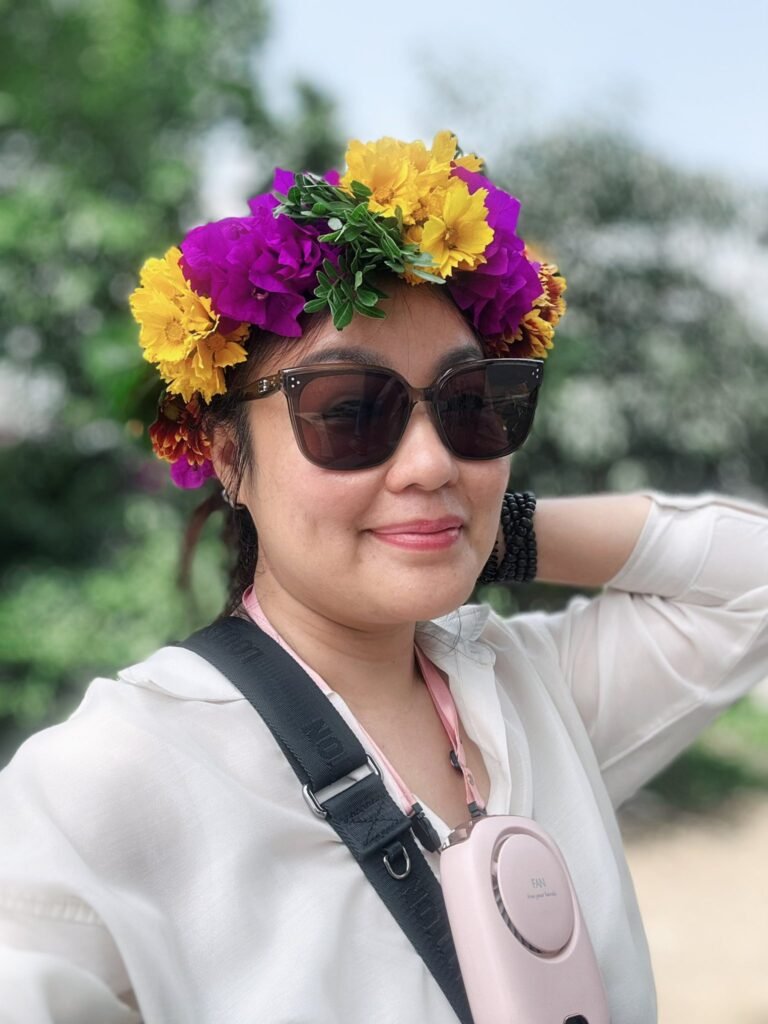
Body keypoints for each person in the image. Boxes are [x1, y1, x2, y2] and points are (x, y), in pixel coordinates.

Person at [0, 131, 765, 1024]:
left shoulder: (533, 693)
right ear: (229, 459)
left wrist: (488, 531)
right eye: (351, 412)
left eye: (470, 405)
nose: (432, 463)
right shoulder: (110, 782)